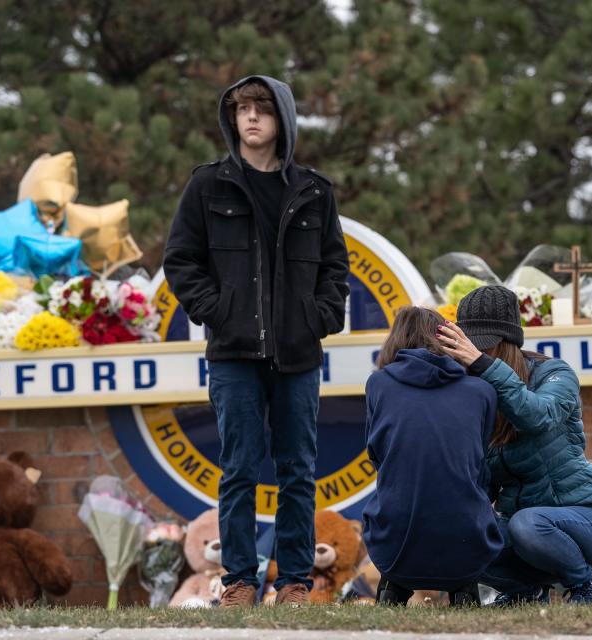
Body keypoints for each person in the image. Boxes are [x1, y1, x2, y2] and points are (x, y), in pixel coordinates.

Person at [163, 76, 350, 608]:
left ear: (281, 121)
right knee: (239, 467)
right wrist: (215, 311)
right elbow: (181, 260)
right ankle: (241, 581)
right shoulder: (207, 185)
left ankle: (293, 582)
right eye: (242, 110)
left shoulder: (315, 190)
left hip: (297, 355)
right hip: (233, 355)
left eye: (261, 110)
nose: (250, 119)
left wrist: (319, 316)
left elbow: (336, 267)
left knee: (297, 469)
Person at [437, 285, 592, 605]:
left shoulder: (554, 373)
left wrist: (483, 365)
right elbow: (482, 489)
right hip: (528, 539)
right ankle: (526, 593)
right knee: (461, 533)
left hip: (590, 525)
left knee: (528, 523)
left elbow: (538, 417)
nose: (478, 359)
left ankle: (586, 587)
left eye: (487, 349)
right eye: (473, 351)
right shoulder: (479, 395)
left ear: (509, 343)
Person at [363, 306, 504, 607]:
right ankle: (464, 591)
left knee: (392, 490)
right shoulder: (481, 392)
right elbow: (478, 463)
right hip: (469, 545)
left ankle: (393, 588)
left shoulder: (379, 384)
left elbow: (379, 455)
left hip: (394, 547)